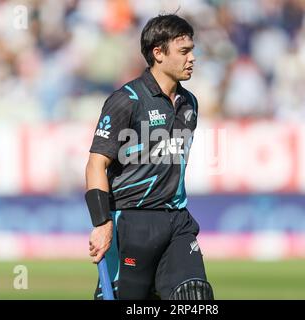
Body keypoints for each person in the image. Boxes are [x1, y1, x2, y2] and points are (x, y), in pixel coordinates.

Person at [85, 14, 214, 300]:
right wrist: (102, 223)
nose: (192, 58)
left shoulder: (189, 103)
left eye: (192, 50)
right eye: (184, 51)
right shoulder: (126, 100)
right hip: (132, 224)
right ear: (158, 53)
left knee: (195, 296)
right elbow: (96, 163)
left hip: (177, 221)